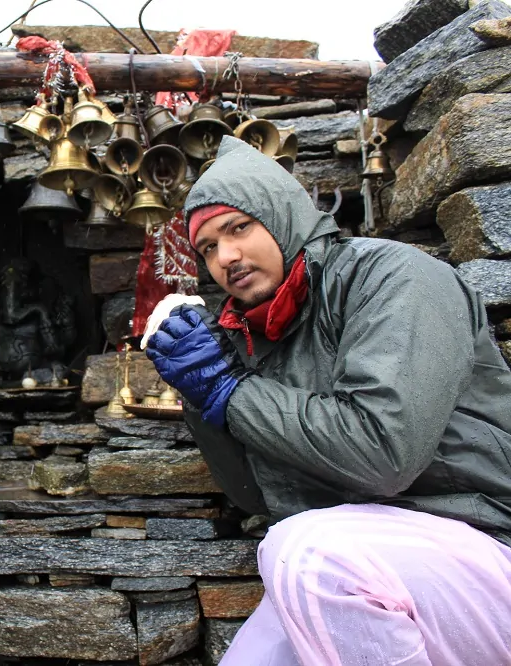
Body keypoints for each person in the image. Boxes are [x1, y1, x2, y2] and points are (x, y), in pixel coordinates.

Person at [145, 135, 511, 665]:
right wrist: (200, 394)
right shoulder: (253, 331)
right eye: (207, 247)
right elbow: (255, 495)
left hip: (489, 543)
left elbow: (383, 454)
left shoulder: (393, 277)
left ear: (279, 215)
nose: (225, 256)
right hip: (374, 562)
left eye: (238, 228)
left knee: (307, 556)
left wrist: (232, 390)